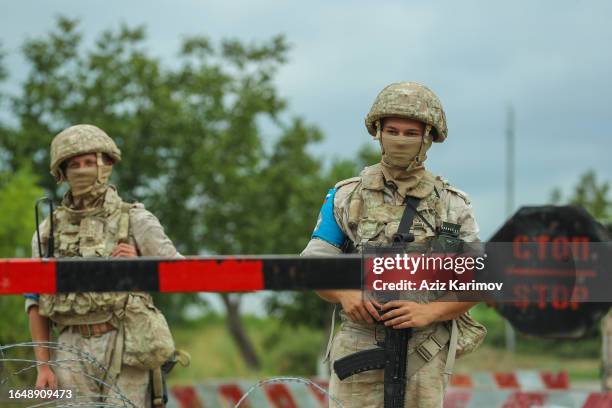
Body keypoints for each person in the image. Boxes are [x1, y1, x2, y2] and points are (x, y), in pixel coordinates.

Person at [302, 82, 486, 407]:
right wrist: (345, 294)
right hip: (359, 342)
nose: (400, 139)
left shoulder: (452, 205)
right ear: (378, 133)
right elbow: (313, 264)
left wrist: (430, 312)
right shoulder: (346, 196)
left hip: (424, 348)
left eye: (410, 133)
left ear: (427, 136)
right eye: (392, 130)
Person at [25, 124, 179, 407]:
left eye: (89, 162)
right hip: (71, 349)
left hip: (126, 344)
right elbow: (34, 301)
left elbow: (181, 275)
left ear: (107, 164)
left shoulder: (135, 219)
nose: (82, 170)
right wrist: (43, 366)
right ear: (63, 172)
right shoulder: (48, 231)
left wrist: (140, 267)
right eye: (74, 164)